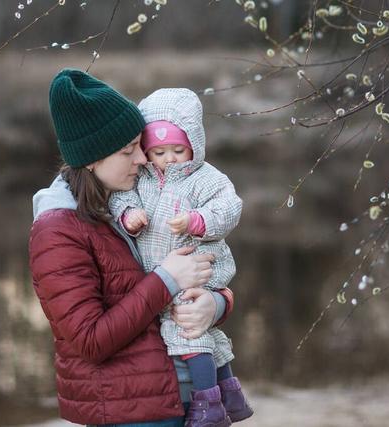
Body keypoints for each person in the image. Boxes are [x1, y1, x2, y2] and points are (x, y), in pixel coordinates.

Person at [29, 69, 235, 427]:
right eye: (129, 151)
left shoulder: (134, 202)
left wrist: (216, 303)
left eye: (141, 146)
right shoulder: (58, 230)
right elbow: (90, 340)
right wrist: (167, 278)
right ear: (92, 159)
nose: (143, 159)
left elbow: (191, 277)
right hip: (130, 413)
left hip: (180, 397)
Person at [109, 89, 253, 426]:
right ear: (147, 150)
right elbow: (117, 199)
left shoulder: (206, 178)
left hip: (201, 262)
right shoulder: (140, 179)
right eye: (159, 151)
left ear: (194, 145)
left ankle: (208, 403)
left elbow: (229, 207)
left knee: (188, 329)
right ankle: (229, 392)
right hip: (161, 271)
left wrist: (199, 221)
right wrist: (129, 213)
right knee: (204, 333)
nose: (169, 159)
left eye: (178, 149)